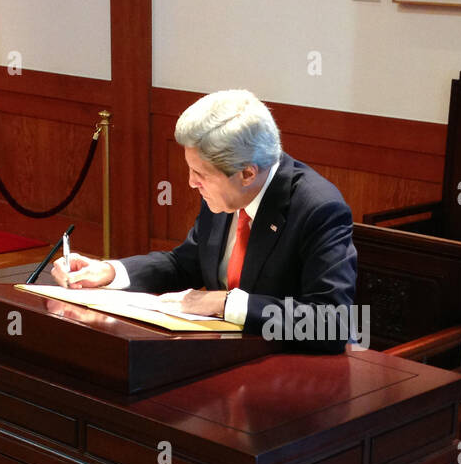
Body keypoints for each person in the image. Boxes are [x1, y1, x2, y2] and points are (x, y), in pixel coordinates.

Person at [52, 89, 357, 353]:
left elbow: (331, 323)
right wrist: (109, 272)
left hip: (292, 373)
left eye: (200, 174)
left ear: (247, 174)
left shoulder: (318, 207)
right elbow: (185, 264)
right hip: (220, 354)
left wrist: (223, 303)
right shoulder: (226, 190)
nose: (190, 183)